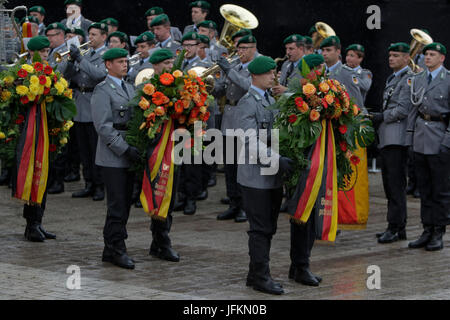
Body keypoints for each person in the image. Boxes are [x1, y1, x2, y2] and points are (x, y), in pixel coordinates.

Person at [236, 55, 292, 295]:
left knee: (268, 227)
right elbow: (249, 142)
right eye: (269, 73)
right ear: (255, 76)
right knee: (260, 228)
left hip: (272, 175)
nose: (274, 76)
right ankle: (261, 276)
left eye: (275, 72)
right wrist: (278, 160)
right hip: (255, 176)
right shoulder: (248, 103)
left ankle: (254, 273)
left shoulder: (271, 98)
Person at [91, 47, 137, 269]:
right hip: (113, 155)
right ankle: (117, 248)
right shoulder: (102, 90)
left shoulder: (129, 87)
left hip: (129, 151)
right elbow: (103, 127)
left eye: (126, 61)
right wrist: (124, 149)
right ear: (108, 65)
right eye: (119, 62)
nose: (125, 65)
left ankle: (110, 249)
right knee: (117, 203)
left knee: (124, 203)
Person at [213, 35, 261, 223]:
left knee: (243, 166)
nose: (239, 52)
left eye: (243, 48)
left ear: (253, 48)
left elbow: (249, 86)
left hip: (245, 117)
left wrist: (228, 70)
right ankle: (233, 203)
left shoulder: (258, 65)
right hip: (230, 116)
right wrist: (212, 85)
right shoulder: (236, 65)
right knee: (230, 166)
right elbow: (224, 89)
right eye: (238, 48)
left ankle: (244, 206)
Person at [407, 42, 450, 251]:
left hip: (439, 135)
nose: (427, 58)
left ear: (442, 58)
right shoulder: (419, 78)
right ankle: (427, 228)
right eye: (426, 54)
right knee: (424, 189)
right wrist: (410, 139)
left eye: (432, 55)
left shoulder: (447, 80)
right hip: (421, 138)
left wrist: (446, 143)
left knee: (440, 190)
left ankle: (439, 232)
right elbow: (413, 110)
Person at [288, 53, 326, 287]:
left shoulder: (322, 93)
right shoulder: (298, 97)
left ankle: (299, 265)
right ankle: (301, 266)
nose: (323, 73)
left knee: (309, 217)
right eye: (319, 69)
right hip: (304, 163)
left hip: (317, 160)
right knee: (302, 215)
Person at [14, 35, 57, 243]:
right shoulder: (23, 73)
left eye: (48, 52)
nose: (47, 56)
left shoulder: (50, 72)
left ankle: (38, 222)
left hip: (47, 130)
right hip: (30, 131)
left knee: (44, 176)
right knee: (32, 175)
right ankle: (30, 224)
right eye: (43, 52)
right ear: (32, 53)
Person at [370, 43, 413, 244]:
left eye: (396, 56)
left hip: (397, 138)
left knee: (395, 185)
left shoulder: (408, 79)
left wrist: (381, 116)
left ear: (406, 58)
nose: (391, 59)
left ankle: (395, 227)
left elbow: (402, 110)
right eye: (390, 55)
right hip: (387, 137)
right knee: (389, 184)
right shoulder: (394, 77)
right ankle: (396, 226)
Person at [64, 22, 108, 201]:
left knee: (95, 149)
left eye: (95, 35)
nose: (91, 38)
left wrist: (80, 60)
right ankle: (88, 183)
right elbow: (67, 76)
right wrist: (71, 60)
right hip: (80, 104)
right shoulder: (85, 53)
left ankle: (99, 185)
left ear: (104, 37)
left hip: (94, 103)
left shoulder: (106, 55)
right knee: (83, 149)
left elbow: (99, 75)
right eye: (90, 34)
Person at [145, 49, 180, 262]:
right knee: (159, 193)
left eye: (172, 63)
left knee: (170, 195)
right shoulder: (147, 90)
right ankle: (161, 241)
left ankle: (159, 241)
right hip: (156, 148)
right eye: (166, 63)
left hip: (174, 147)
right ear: (156, 66)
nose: (170, 67)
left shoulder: (178, 87)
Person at [174, 32, 210, 216]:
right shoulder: (177, 64)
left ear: (198, 47)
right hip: (179, 117)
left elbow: (214, 90)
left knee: (193, 160)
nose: (187, 49)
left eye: (191, 45)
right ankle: (181, 195)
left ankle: (191, 199)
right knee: (180, 158)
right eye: (185, 45)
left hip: (196, 118)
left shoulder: (205, 66)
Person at [320, 36, 366, 113]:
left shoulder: (347, 73)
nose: (324, 53)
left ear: (338, 52)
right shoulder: (320, 72)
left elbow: (357, 104)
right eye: (323, 50)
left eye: (328, 50)